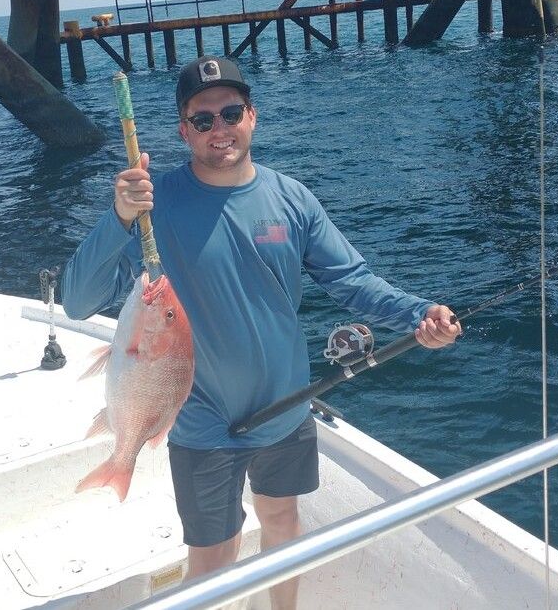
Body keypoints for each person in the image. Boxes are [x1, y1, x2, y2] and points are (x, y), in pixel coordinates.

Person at [61, 55, 461, 609]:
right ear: (184, 130)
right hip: (200, 421)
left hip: (287, 407)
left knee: (281, 521)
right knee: (212, 555)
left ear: (252, 116)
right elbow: (78, 300)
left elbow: (352, 281)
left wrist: (418, 315)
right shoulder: (155, 205)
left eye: (230, 112)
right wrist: (120, 217)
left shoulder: (292, 199)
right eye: (203, 119)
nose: (219, 128)